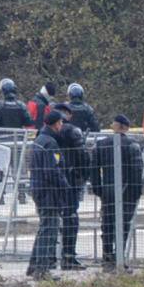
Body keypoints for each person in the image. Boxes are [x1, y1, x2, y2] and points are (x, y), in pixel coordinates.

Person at [92, 114, 144, 266]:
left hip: (107, 191)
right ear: (125, 127)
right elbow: (136, 172)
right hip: (127, 191)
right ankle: (120, 256)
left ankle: (107, 254)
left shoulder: (101, 145)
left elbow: (94, 170)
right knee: (123, 224)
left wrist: (98, 189)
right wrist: (136, 193)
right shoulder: (132, 146)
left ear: (115, 126)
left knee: (107, 223)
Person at [25, 108, 71, 277]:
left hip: (38, 189)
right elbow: (52, 170)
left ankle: (34, 265)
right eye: (60, 122)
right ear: (56, 124)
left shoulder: (39, 139)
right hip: (49, 192)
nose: (62, 125)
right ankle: (41, 270)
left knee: (44, 227)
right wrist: (65, 185)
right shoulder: (51, 143)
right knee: (50, 229)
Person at [52, 109, 90, 269]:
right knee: (71, 218)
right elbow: (82, 155)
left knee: (51, 220)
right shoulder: (74, 131)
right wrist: (84, 174)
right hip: (71, 180)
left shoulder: (47, 133)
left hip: (52, 181)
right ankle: (68, 256)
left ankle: (50, 258)